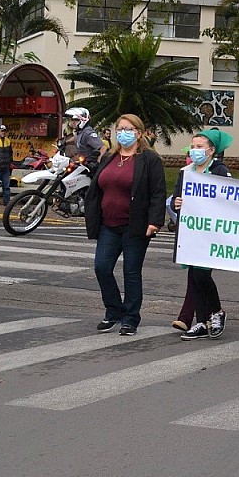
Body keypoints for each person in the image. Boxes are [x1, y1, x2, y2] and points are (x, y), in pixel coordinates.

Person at [84, 114, 167, 335]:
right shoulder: (109, 157)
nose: (123, 133)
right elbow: (97, 187)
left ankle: (130, 318)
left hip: (135, 226)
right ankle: (113, 311)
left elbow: (158, 193)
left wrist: (154, 221)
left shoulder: (149, 159)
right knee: (102, 268)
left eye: (128, 129)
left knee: (131, 272)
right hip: (107, 224)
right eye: (120, 129)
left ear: (139, 133)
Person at [172, 128, 234, 340]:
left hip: (211, 233)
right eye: (193, 146)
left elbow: (228, 199)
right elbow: (175, 198)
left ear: (211, 150)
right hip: (190, 232)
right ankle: (200, 321)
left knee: (201, 274)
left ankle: (216, 311)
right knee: (194, 276)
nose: (195, 150)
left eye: (200, 147)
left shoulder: (219, 171)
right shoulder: (186, 172)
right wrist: (177, 202)